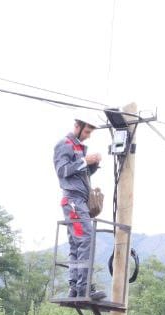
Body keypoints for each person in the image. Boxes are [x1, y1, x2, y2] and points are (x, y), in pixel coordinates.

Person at [54, 114, 106, 301]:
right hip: (74, 201)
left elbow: (77, 172)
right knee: (86, 239)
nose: (88, 135)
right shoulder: (65, 145)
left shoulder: (78, 147)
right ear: (77, 126)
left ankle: (75, 288)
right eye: (87, 131)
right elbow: (62, 171)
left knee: (78, 242)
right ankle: (84, 288)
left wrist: (92, 166)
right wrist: (86, 161)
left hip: (78, 202)